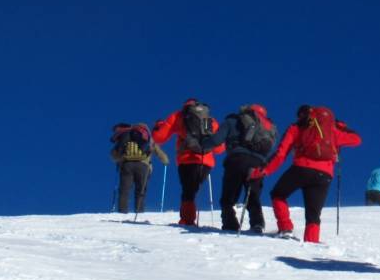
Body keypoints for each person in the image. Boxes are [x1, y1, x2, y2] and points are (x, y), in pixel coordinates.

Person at [250, 104, 361, 243]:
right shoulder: (332, 130)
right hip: (324, 174)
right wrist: (341, 126)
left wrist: (264, 170)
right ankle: (311, 243)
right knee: (313, 214)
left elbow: (280, 155)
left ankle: (285, 228)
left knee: (278, 194)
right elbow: (356, 139)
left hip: (301, 169)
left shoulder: (296, 128)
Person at [196, 104, 277, 233]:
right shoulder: (267, 126)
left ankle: (231, 225)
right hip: (258, 163)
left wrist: (204, 142)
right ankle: (257, 224)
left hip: (237, 160)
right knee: (253, 195)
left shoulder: (233, 121)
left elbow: (216, 140)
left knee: (228, 198)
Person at [153, 99, 225, 226]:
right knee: (192, 189)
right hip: (206, 161)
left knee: (188, 190)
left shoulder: (178, 116)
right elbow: (220, 148)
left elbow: (159, 138)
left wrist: (158, 127)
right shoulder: (209, 120)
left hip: (186, 160)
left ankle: (187, 220)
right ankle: (188, 218)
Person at [110, 122, 169, 214]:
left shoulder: (126, 136)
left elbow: (114, 154)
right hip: (144, 166)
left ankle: (122, 212)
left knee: (124, 190)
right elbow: (159, 153)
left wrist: (119, 159)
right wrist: (165, 161)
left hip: (127, 165)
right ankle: (139, 212)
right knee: (140, 191)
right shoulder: (147, 138)